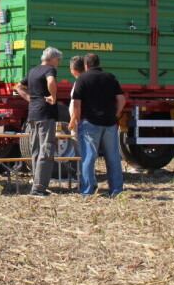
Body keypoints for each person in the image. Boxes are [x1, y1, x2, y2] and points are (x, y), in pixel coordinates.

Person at [69, 53, 127, 197]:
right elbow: (122, 100)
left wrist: (76, 120)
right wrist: (115, 114)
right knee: (113, 158)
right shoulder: (110, 77)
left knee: (89, 158)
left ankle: (88, 191)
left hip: (90, 123)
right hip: (109, 123)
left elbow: (76, 104)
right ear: (99, 63)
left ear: (86, 65)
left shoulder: (82, 79)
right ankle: (116, 190)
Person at [15, 46, 62, 196]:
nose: (59, 63)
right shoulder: (49, 70)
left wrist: (31, 99)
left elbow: (19, 87)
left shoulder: (33, 71)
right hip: (46, 114)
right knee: (46, 150)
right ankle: (39, 188)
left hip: (33, 114)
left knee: (35, 150)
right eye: (58, 59)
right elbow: (51, 81)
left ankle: (36, 184)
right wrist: (53, 97)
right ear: (51, 58)